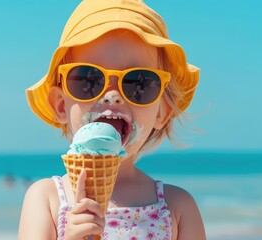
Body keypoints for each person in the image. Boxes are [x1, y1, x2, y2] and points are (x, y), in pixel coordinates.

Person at [19, 1, 205, 239]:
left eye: (139, 83)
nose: (112, 96)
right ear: (60, 104)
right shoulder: (46, 199)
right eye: (88, 79)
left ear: (162, 111)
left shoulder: (178, 207)